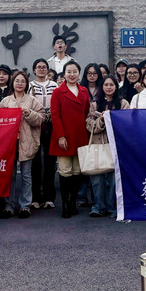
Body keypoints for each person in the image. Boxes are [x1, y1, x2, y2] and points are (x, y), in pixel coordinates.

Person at [0, 71, 45, 219]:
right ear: (12, 83)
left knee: (26, 175)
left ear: (26, 84)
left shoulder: (32, 100)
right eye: (17, 81)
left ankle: (25, 205)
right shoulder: (5, 101)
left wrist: (29, 113)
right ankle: (9, 205)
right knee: (10, 176)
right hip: (9, 143)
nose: (19, 84)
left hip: (27, 141)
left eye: (22, 81)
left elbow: (41, 118)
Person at [50, 60, 90, 218]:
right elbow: (55, 115)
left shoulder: (84, 91)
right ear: (64, 74)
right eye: (69, 72)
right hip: (64, 136)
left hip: (80, 135)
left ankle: (73, 202)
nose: (72, 75)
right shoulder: (58, 92)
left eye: (75, 72)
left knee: (77, 171)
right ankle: (65, 204)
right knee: (65, 171)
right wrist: (60, 136)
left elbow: (86, 112)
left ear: (79, 73)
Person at [86, 76, 129, 218]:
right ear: (102, 87)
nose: (109, 87)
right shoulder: (94, 105)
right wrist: (101, 120)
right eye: (106, 85)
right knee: (97, 178)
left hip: (116, 146)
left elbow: (127, 124)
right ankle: (99, 207)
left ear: (116, 87)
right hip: (98, 145)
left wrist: (113, 118)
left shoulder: (123, 103)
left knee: (114, 179)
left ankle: (113, 207)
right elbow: (89, 125)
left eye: (111, 85)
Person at [29, 58, 58, 210]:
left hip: (51, 125)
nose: (41, 69)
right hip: (35, 125)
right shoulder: (30, 86)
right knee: (35, 162)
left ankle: (49, 197)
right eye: (38, 67)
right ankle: (35, 197)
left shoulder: (54, 85)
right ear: (34, 70)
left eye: (44, 67)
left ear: (48, 70)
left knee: (50, 161)